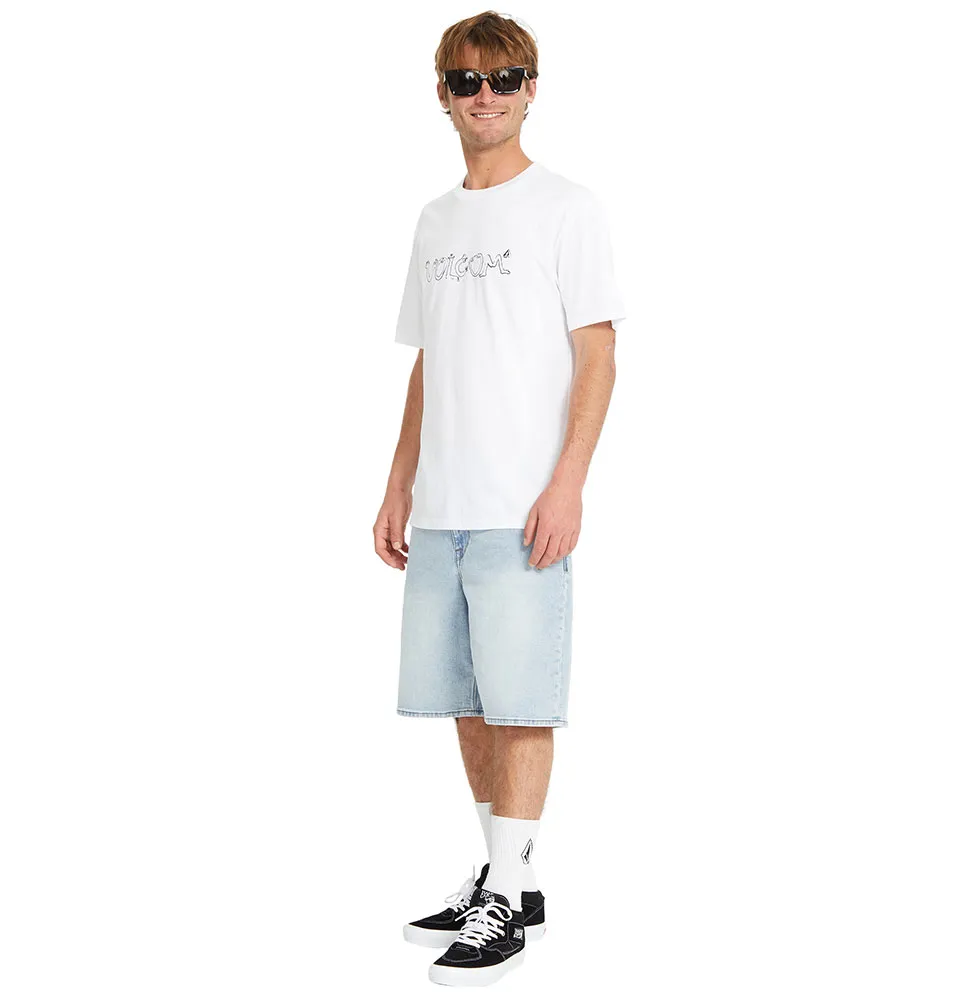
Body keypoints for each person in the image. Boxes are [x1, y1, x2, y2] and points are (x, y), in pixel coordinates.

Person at [373, 11, 626, 987]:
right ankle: (506, 879)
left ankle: (510, 889)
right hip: (442, 505)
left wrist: (568, 483)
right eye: (468, 81)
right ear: (441, 94)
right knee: (466, 702)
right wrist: (398, 482)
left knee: (520, 702)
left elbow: (597, 353)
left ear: (532, 88)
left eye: (506, 78)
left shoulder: (567, 208)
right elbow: (429, 362)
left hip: (523, 506)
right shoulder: (434, 220)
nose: (487, 95)